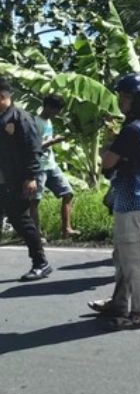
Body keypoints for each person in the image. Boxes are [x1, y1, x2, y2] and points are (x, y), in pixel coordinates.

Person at [88, 73, 140, 330]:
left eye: (127, 97)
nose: (121, 101)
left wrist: (109, 154)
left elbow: (108, 161)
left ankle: (139, 313)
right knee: (122, 256)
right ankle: (119, 303)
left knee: (134, 260)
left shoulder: (132, 129)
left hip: (133, 203)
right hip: (138, 200)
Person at [0, 80, 53, 281]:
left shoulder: (20, 118)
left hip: (17, 179)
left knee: (21, 221)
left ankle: (41, 262)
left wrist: (31, 178)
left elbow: (33, 150)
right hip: (2, 180)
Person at [30, 94, 80, 239]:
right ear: (48, 107)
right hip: (38, 167)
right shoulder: (35, 122)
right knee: (35, 201)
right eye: (56, 110)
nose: (57, 114)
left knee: (68, 193)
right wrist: (52, 142)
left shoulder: (48, 122)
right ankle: (35, 234)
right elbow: (33, 147)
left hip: (51, 165)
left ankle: (66, 229)